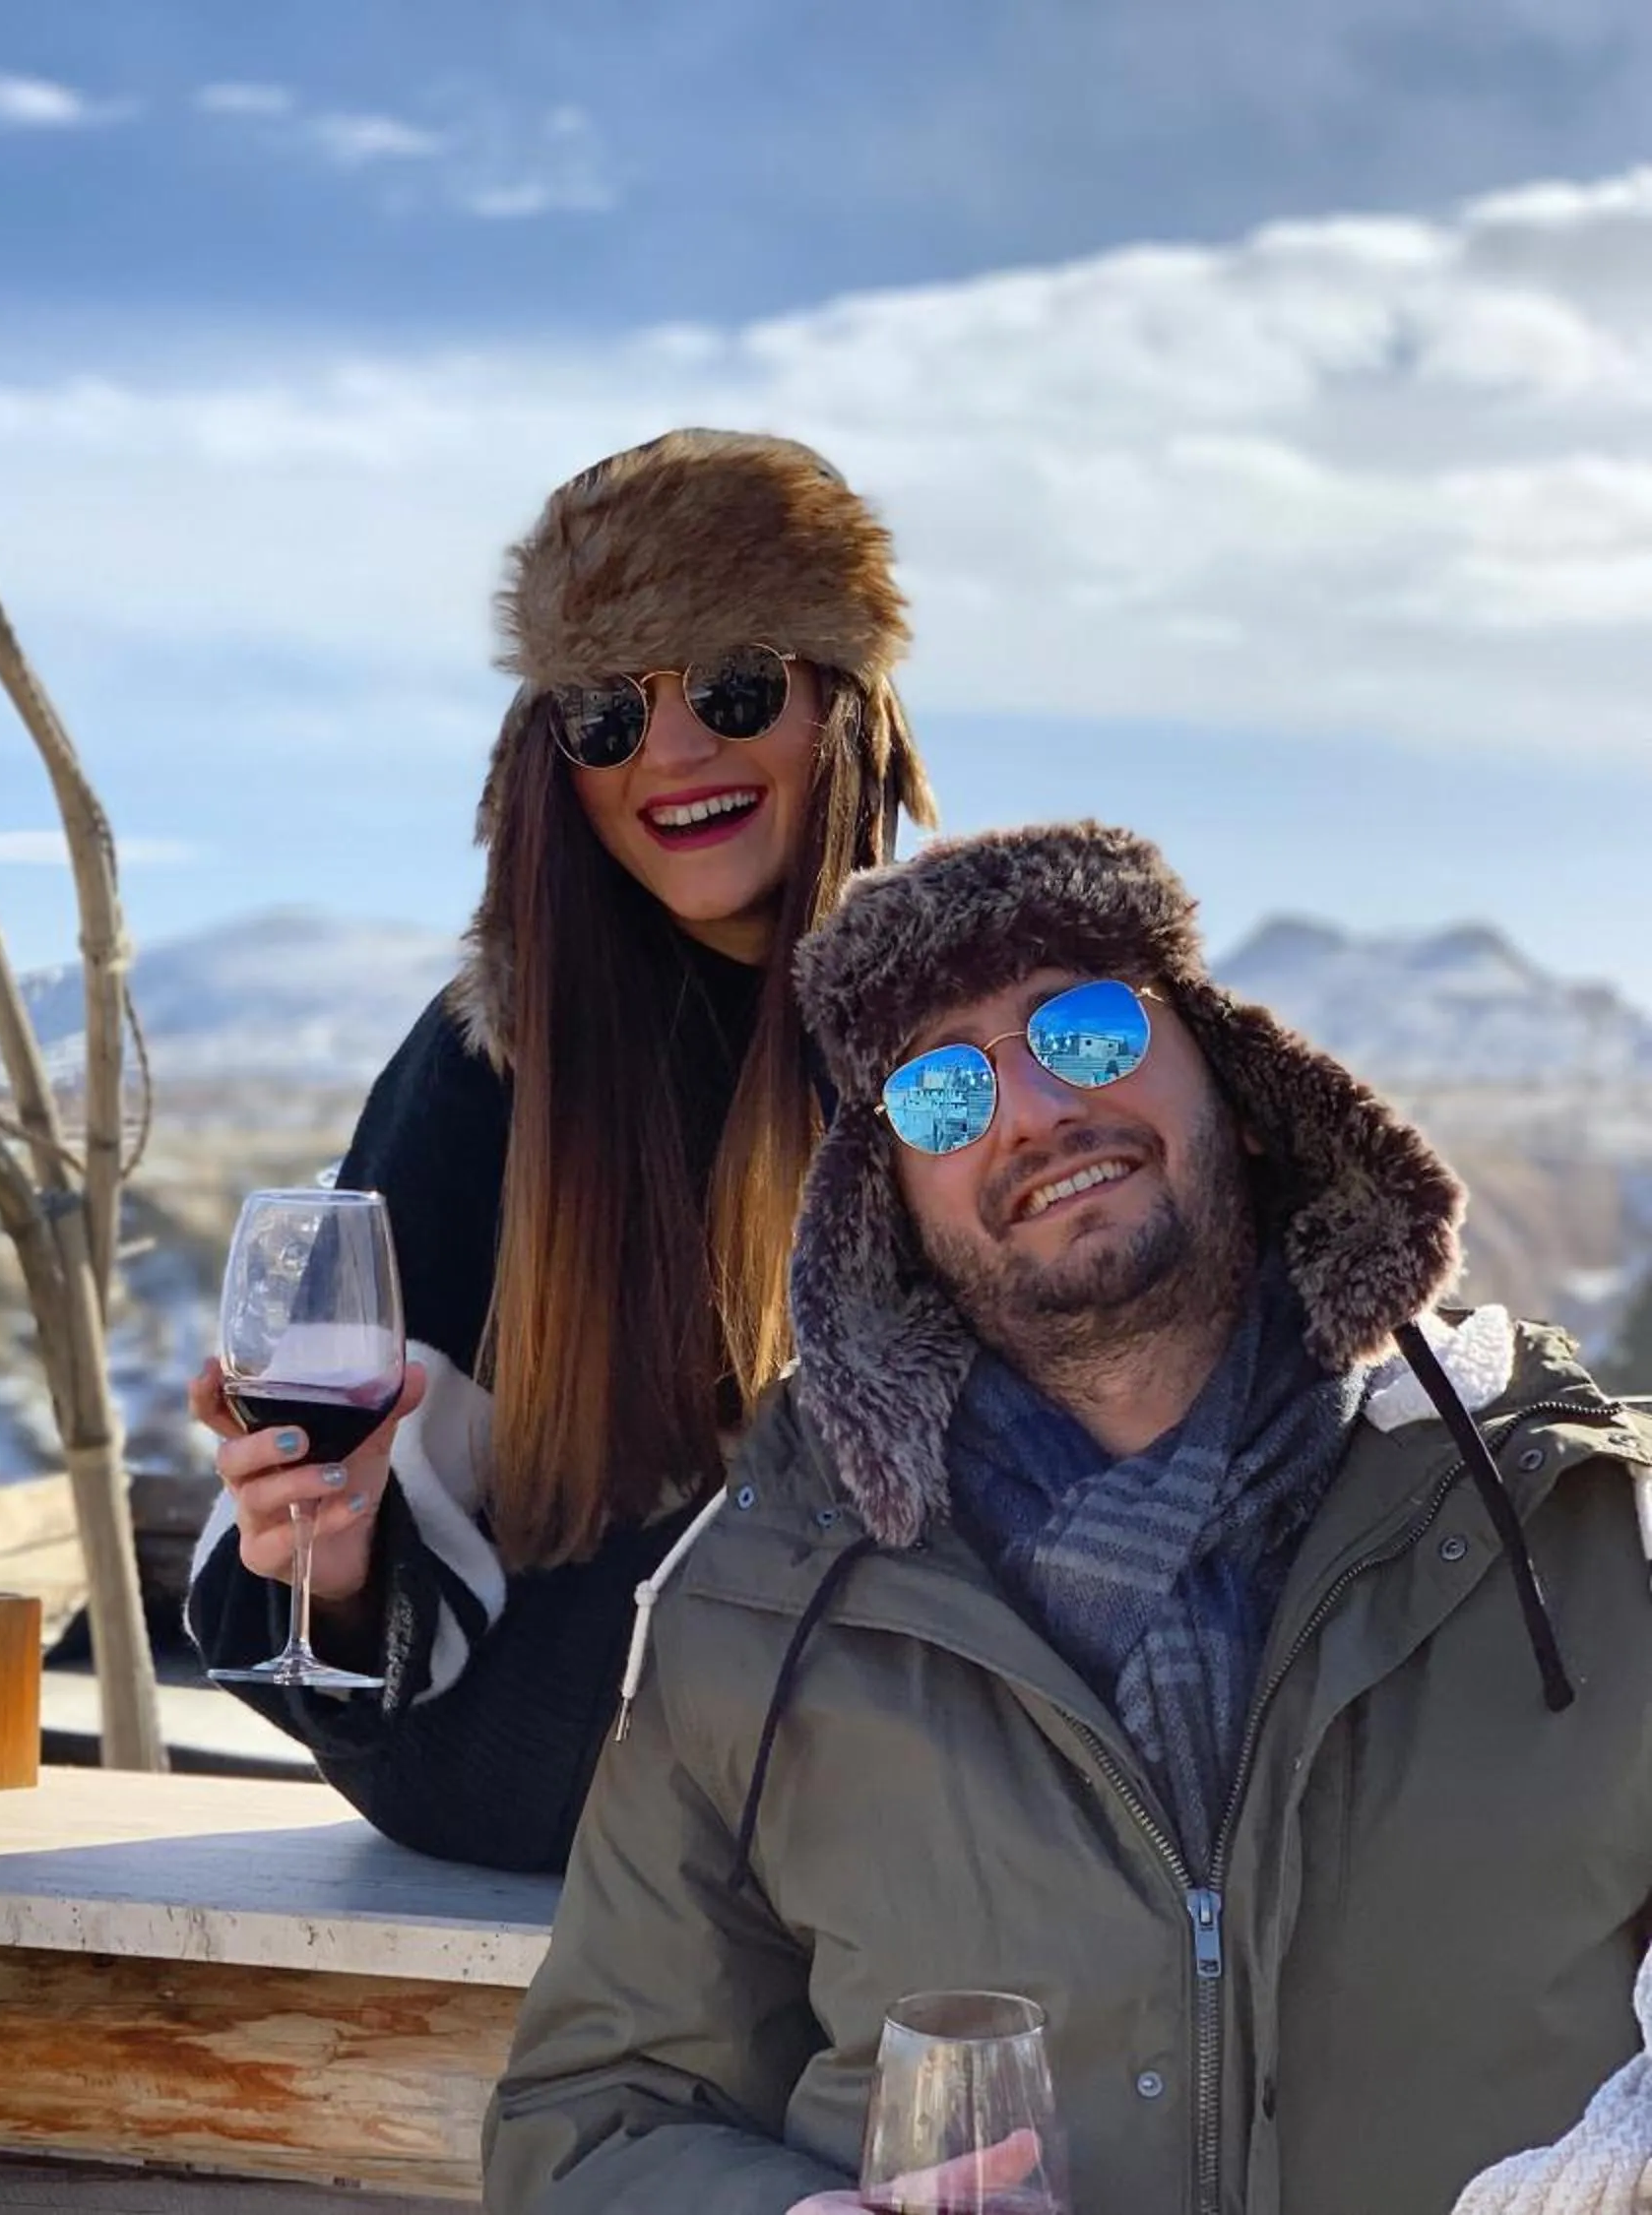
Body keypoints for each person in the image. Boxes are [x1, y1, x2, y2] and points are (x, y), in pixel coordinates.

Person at [484, 820, 1652, 2213]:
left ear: (1228, 1062)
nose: (1030, 1112)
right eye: (940, 1091)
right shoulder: (766, 1604)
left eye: (1085, 1028)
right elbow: (591, 2120)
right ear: (886, 1199)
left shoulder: (1574, 1524)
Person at [184, 430, 938, 1871]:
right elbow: (367, 1571)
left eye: (729, 685)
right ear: (552, 760)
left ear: (842, 702)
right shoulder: (498, 1067)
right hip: (558, 1807)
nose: (669, 752)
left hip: (939, 1820)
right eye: (602, 711)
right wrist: (330, 1562)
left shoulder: (968, 1033)